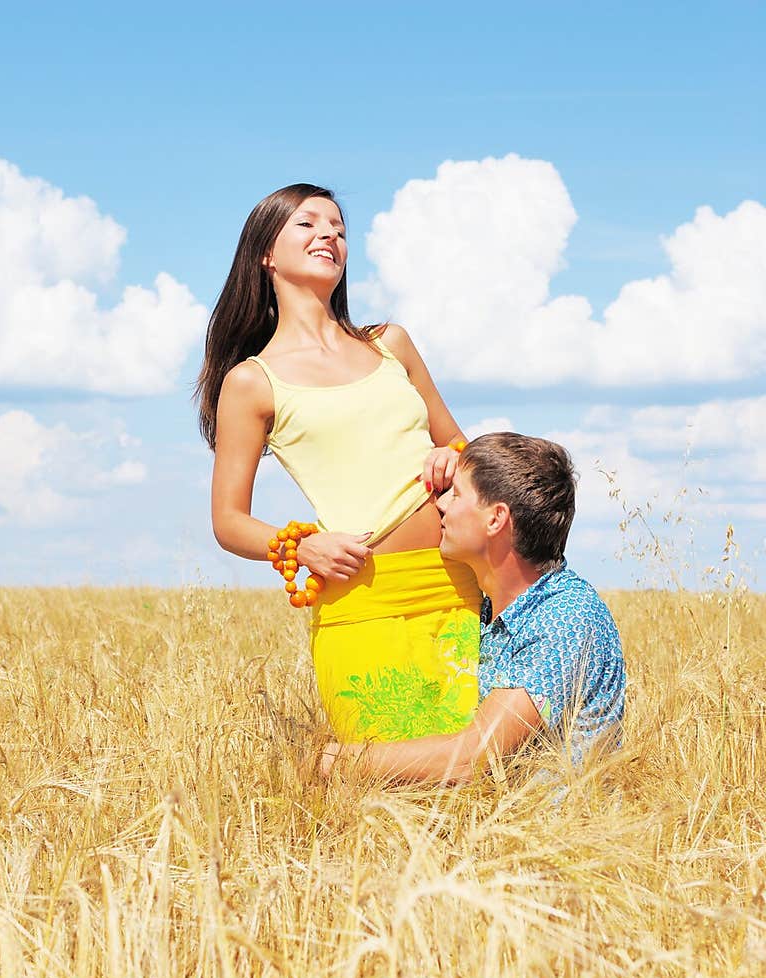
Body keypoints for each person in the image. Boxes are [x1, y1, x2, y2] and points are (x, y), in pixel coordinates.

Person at [195, 183, 482, 744]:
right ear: (266, 254)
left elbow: (464, 450)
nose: (328, 233)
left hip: (461, 582)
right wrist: (302, 546)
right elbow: (228, 521)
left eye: (338, 228)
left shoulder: (390, 344)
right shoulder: (253, 381)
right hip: (364, 596)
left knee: (484, 773)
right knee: (395, 778)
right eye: (307, 223)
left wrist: (448, 461)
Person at [321, 432, 626, 784]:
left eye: (457, 493)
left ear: (496, 519)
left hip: (555, 832)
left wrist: (336, 760)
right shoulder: (482, 606)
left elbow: (475, 759)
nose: (442, 505)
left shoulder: (566, 616)